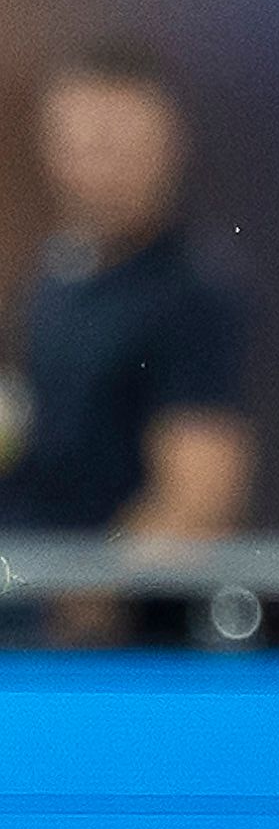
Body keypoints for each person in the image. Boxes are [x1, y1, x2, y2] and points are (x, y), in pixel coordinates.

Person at [0, 42, 254, 641]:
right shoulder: (50, 282)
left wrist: (93, 594)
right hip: (26, 622)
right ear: (53, 146)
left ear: (167, 147)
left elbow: (198, 498)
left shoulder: (192, 293)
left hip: (118, 655)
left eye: (121, 142)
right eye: (85, 141)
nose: (102, 163)